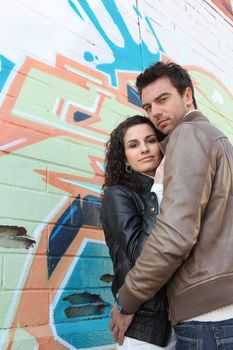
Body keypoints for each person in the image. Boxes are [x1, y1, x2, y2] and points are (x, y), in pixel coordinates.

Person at [110, 61, 233, 349]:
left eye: (163, 100)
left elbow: (175, 236)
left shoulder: (188, 135)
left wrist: (127, 301)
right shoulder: (220, 140)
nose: (155, 112)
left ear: (187, 96)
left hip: (208, 320)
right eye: (148, 106)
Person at [101, 115, 176, 349]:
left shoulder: (176, 192)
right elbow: (142, 254)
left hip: (181, 320)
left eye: (150, 140)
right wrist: (158, 189)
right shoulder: (118, 195)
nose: (144, 149)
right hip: (144, 325)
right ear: (124, 157)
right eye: (134, 145)